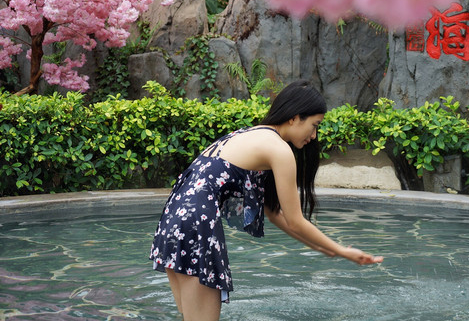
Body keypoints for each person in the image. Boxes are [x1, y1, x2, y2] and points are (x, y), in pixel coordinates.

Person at [149, 80, 383, 321]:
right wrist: (343, 251)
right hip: (196, 225)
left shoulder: (253, 134)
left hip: (173, 221)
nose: (314, 136)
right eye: (314, 125)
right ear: (294, 117)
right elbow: (295, 220)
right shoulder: (279, 150)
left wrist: (319, 246)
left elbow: (273, 212)